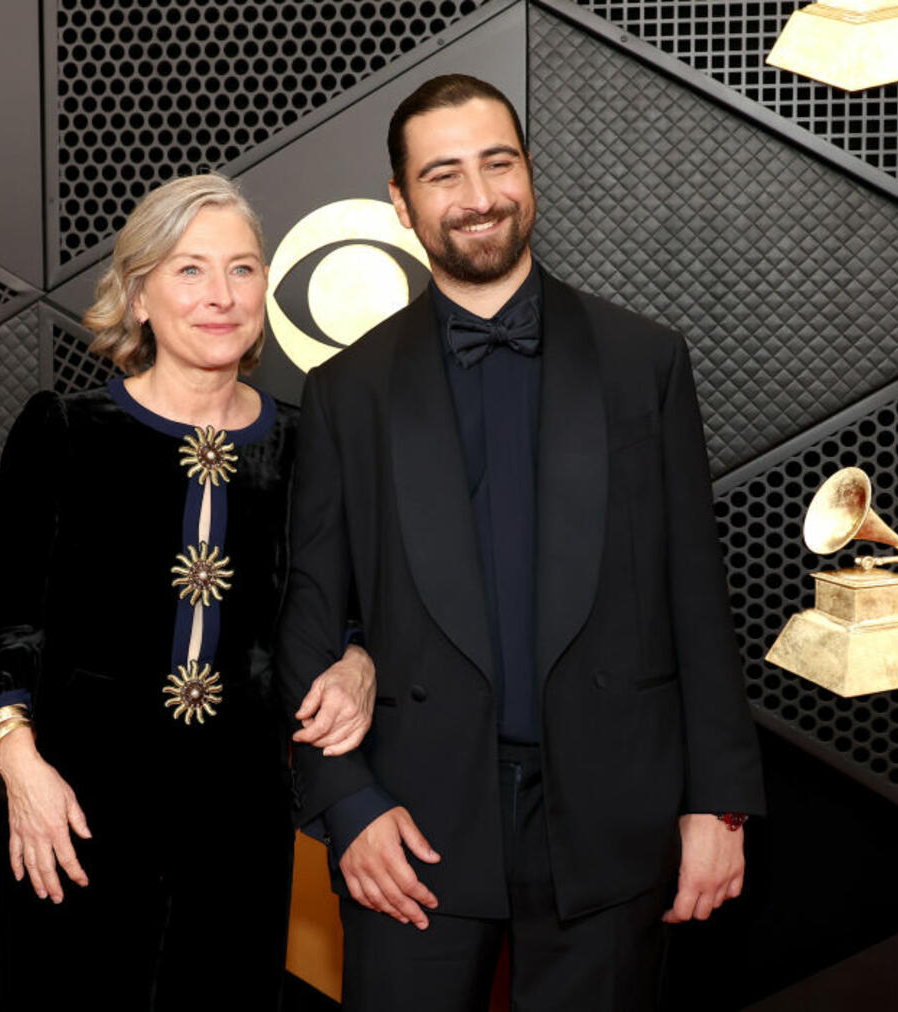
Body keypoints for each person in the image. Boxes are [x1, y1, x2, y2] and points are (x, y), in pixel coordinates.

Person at [275, 74, 766, 1010]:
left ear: (529, 173)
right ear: (402, 202)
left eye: (498, 163)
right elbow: (308, 611)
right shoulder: (349, 390)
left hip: (613, 818)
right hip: (410, 823)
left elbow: (697, 599)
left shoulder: (644, 362)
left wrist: (719, 804)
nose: (478, 196)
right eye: (444, 174)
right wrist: (348, 805)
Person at [0, 173, 375, 1009]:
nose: (220, 295)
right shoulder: (64, 432)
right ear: (138, 295)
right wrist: (22, 767)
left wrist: (361, 659)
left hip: (241, 825)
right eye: (189, 270)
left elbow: (356, 605)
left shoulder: (308, 444)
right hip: (73, 816)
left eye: (242, 269)